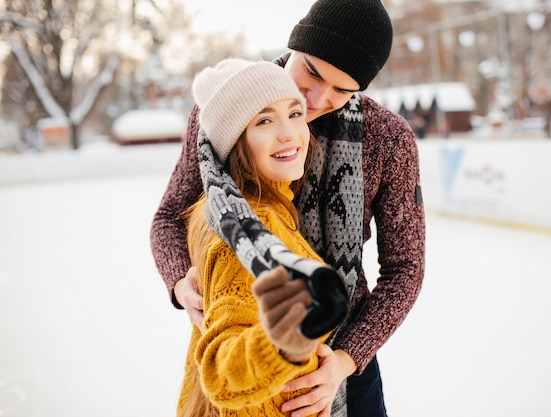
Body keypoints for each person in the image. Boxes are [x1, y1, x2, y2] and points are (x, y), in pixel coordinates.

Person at [151, 1, 426, 416]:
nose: (317, 98)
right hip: (247, 340)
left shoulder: (388, 139)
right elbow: (169, 216)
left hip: (344, 356)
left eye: (342, 90)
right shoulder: (227, 105)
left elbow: (406, 267)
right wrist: (180, 283)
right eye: (312, 71)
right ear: (295, 43)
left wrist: (345, 361)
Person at [178, 58, 335, 417]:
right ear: (234, 141)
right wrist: (286, 340)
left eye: (295, 113)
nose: (289, 133)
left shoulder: (244, 208)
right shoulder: (250, 227)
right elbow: (220, 372)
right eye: (264, 120)